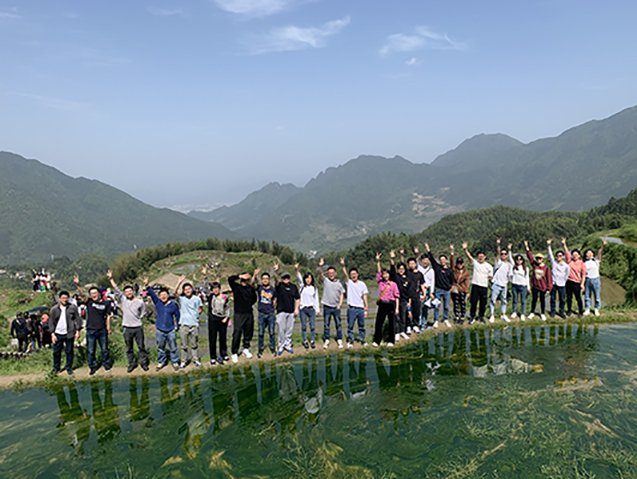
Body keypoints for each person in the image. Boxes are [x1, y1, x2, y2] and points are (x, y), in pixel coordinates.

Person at [107, 270, 149, 373]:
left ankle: (144, 363)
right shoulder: (123, 300)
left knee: (141, 346)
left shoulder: (140, 302)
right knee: (129, 347)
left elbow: (144, 312)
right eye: (126, 292)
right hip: (127, 327)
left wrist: (139, 318)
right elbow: (116, 289)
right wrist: (111, 279)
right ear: (124, 293)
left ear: (133, 291)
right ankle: (132, 364)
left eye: (130, 291)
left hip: (138, 327)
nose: (128, 293)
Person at [74, 275, 112, 376]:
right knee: (91, 351)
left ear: (99, 293)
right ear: (90, 295)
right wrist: (78, 284)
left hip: (102, 329)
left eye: (95, 293)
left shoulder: (106, 303)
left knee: (104, 349)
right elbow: (82, 294)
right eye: (92, 294)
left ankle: (106, 364)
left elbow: (108, 316)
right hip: (91, 330)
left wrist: (108, 328)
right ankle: (92, 367)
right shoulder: (89, 302)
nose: (94, 295)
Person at [144, 277, 181, 371]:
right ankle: (161, 361)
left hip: (171, 330)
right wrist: (147, 285)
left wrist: (177, 326)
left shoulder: (173, 305)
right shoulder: (157, 302)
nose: (163, 296)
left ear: (168, 295)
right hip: (159, 329)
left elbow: (178, 316)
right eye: (161, 295)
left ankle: (175, 361)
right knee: (160, 347)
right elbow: (152, 293)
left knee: (173, 347)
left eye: (165, 294)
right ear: (159, 296)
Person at [48, 291, 82, 376]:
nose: (65, 300)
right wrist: (52, 334)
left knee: (69, 351)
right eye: (63, 298)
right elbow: (51, 322)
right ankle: (56, 368)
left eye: (66, 298)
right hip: (57, 333)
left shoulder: (72, 307)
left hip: (69, 332)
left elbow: (77, 319)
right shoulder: (54, 309)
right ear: (59, 299)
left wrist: (78, 330)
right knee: (56, 352)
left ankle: (69, 367)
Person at [174, 275, 203, 369]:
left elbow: (200, 309)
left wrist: (196, 315)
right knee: (184, 345)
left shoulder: (197, 299)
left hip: (194, 324)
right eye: (185, 289)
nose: (187, 291)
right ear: (183, 291)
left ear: (192, 289)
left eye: (189, 289)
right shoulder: (182, 299)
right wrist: (179, 282)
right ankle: (183, 361)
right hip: (184, 325)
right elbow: (174, 292)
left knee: (194, 344)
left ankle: (196, 360)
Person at [227, 272, 257, 363]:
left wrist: (248, 304)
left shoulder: (251, 288)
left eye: (246, 280)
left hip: (249, 313)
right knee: (237, 332)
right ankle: (234, 352)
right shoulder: (236, 287)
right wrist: (239, 276)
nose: (244, 281)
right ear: (240, 280)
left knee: (248, 332)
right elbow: (230, 279)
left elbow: (254, 299)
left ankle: (246, 349)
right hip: (239, 314)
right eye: (243, 280)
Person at [203, 267, 230, 365]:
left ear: (219, 288)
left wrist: (226, 317)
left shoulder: (224, 297)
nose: (215, 290)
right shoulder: (211, 296)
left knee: (223, 338)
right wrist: (205, 276)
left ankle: (224, 354)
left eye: (217, 288)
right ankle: (213, 357)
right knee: (212, 339)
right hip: (213, 320)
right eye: (214, 288)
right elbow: (205, 288)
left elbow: (227, 308)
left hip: (222, 320)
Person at [425, 243, 455, 328]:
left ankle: (446, 319)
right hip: (438, 290)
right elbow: (432, 259)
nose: (442, 261)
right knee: (436, 306)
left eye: (443, 260)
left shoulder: (450, 270)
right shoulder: (437, 268)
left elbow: (452, 281)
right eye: (440, 260)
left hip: (446, 291)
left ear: (446, 260)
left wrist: (450, 288)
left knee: (446, 306)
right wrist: (428, 250)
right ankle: (436, 320)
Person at [341, 258, 369, 348]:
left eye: (354, 274)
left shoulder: (362, 284)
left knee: (362, 325)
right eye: (351, 274)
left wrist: (366, 305)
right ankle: (351, 339)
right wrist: (343, 266)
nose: (353, 275)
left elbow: (364, 295)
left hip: (360, 308)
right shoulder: (349, 283)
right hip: (351, 308)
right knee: (350, 325)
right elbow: (345, 275)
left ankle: (362, 339)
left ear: (357, 274)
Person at [317, 258, 345, 349]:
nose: (331, 274)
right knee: (326, 324)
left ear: (335, 273)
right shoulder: (325, 281)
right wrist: (320, 266)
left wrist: (340, 304)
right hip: (327, 306)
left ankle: (339, 339)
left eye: (332, 273)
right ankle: (327, 339)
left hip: (336, 307)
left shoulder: (339, 283)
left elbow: (342, 294)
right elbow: (320, 274)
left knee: (338, 324)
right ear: (327, 274)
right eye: (329, 273)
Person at [463, 242, 493, 324]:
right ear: (477, 257)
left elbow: (490, 276)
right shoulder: (475, 263)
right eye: (479, 256)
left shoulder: (489, 266)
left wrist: (483, 280)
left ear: (485, 257)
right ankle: (472, 317)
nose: (480, 257)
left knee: (483, 303)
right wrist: (465, 249)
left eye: (482, 256)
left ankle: (481, 317)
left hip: (484, 287)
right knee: (473, 302)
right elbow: (469, 257)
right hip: (475, 286)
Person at [273, 264, 300, 355]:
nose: (286, 279)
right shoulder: (279, 286)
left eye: (287, 277)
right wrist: (275, 271)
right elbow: (276, 279)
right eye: (284, 277)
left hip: (291, 311)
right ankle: (281, 346)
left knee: (289, 329)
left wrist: (297, 308)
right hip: (281, 311)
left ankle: (288, 345)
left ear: (289, 278)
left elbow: (297, 298)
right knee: (281, 329)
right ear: (282, 278)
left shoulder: (293, 287)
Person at [373, 253, 399, 347]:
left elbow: (397, 297)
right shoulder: (380, 283)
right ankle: (377, 340)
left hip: (391, 304)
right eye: (384, 274)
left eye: (386, 273)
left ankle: (391, 340)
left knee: (392, 323)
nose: (385, 275)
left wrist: (397, 308)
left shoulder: (393, 284)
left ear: (389, 274)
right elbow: (378, 272)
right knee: (379, 322)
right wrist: (378, 261)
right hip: (382, 304)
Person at [251, 268, 277, 359]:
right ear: (261, 280)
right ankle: (260, 350)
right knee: (261, 333)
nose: (265, 280)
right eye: (263, 279)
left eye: (267, 278)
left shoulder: (273, 289)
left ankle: (273, 349)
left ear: (269, 280)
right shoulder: (259, 288)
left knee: (271, 332)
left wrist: (274, 303)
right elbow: (252, 283)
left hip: (270, 314)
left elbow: (275, 297)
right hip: (261, 313)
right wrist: (254, 275)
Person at [524, 241, 553, 321]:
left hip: (543, 287)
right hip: (535, 286)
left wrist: (548, 289)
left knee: (542, 300)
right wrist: (527, 247)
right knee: (534, 299)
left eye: (540, 258)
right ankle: (532, 312)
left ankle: (542, 313)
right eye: (537, 258)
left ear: (542, 259)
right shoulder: (535, 265)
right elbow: (530, 257)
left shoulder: (546, 268)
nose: (538, 259)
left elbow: (549, 278)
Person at [400, 248, 426, 334]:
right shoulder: (407, 272)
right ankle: (408, 326)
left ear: (415, 264)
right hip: (407, 296)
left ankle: (415, 325)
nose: (411, 265)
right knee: (408, 312)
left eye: (413, 263)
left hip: (416, 295)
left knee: (416, 311)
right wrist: (401, 255)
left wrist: (424, 293)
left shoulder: (419, 274)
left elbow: (421, 284)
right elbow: (402, 265)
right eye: (409, 263)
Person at [488, 239, 513, 323]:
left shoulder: (509, 265)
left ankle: (503, 314)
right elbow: (498, 254)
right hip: (496, 284)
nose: (503, 255)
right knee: (493, 300)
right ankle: (492, 315)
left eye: (505, 254)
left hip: (504, 285)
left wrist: (506, 281)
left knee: (504, 300)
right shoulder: (498, 262)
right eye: (502, 254)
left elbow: (508, 275)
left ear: (507, 255)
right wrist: (498, 245)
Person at [296, 263, 320, 350]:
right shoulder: (302, 286)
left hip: (311, 309)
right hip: (303, 309)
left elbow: (316, 299)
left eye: (310, 278)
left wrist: (317, 310)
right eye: (307, 278)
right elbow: (299, 278)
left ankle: (312, 341)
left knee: (312, 326)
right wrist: (297, 270)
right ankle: (305, 341)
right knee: (304, 326)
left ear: (312, 279)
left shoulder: (314, 288)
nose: (308, 280)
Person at [562, 238, 586, 317]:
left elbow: (583, 275)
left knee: (578, 298)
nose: (575, 256)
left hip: (576, 283)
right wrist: (564, 244)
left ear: (579, 255)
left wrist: (582, 284)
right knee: (569, 297)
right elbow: (566, 252)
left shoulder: (582, 264)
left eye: (576, 255)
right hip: (569, 281)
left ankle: (581, 311)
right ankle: (569, 310)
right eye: (573, 254)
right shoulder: (570, 261)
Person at [389, 250, 410, 341]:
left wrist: (408, 300)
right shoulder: (395, 277)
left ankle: (402, 331)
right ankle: (396, 332)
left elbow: (408, 291)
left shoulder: (406, 278)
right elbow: (392, 269)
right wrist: (392, 259)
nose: (401, 270)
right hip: (395, 300)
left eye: (402, 269)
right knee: (396, 317)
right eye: (399, 269)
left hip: (404, 300)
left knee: (403, 317)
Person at [547, 239, 570, 319]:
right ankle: (553, 311)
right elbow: (550, 255)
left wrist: (563, 281)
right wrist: (549, 245)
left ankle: (561, 312)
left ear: (563, 256)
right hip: (553, 283)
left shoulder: (566, 266)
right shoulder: (554, 263)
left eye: (560, 256)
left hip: (562, 284)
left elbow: (567, 275)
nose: (558, 257)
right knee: (552, 298)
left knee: (562, 299)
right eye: (557, 256)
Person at [583, 240, 606, 316]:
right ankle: (587, 309)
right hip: (587, 279)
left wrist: (603, 246)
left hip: (596, 279)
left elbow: (599, 252)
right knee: (587, 295)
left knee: (597, 295)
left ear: (593, 253)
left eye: (591, 252)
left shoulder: (596, 260)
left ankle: (596, 309)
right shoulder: (584, 262)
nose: (590, 254)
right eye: (588, 253)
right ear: (586, 254)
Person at [510, 253, 531, 321]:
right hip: (515, 285)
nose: (519, 261)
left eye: (520, 259)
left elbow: (527, 277)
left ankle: (522, 314)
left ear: (522, 260)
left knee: (523, 300)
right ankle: (514, 312)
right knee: (515, 299)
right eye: (517, 259)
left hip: (523, 285)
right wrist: (509, 251)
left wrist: (528, 287)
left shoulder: (526, 268)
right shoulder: (514, 267)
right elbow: (510, 259)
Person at [417, 253, 435, 328]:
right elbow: (415, 261)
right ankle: (419, 323)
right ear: (421, 260)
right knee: (419, 307)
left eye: (427, 260)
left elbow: (432, 282)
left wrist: (431, 292)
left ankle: (424, 322)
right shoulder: (418, 268)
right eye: (424, 260)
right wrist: (416, 254)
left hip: (427, 290)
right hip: (420, 290)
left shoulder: (431, 270)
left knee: (425, 307)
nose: (425, 261)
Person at [451, 255, 469, 324]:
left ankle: (462, 317)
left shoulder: (465, 273)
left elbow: (467, 283)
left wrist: (467, 292)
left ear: (463, 264)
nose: (459, 265)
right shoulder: (454, 271)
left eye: (461, 263)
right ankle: (457, 317)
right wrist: (452, 254)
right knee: (456, 304)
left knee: (462, 304)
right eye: (458, 263)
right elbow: (451, 263)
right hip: (455, 290)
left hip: (462, 290)